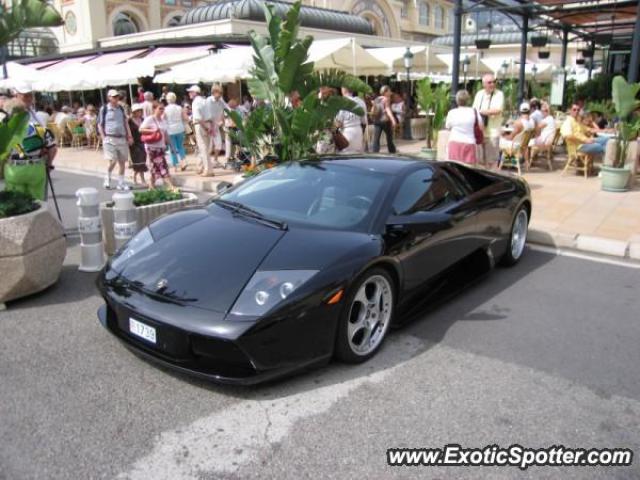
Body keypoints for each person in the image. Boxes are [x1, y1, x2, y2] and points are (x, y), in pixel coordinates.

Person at [3, 81, 57, 201]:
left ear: (16, 95)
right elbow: (52, 148)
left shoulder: (6, 120)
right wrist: (48, 164)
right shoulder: (38, 120)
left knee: (16, 208)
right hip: (36, 167)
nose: (28, 98)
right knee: (37, 207)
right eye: (27, 95)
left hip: (14, 169)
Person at [98, 89, 133, 190]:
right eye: (113, 97)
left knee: (122, 162)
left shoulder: (121, 108)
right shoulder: (104, 109)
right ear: (109, 98)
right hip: (110, 138)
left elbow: (126, 123)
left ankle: (121, 183)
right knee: (113, 161)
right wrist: (104, 138)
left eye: (117, 96)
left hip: (121, 138)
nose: (116, 98)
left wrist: (129, 136)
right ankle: (107, 178)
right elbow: (100, 124)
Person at [139, 102, 176, 191]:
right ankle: (170, 186)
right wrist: (153, 130)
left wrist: (172, 146)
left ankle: (151, 186)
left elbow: (166, 134)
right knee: (160, 166)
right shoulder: (150, 119)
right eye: (160, 108)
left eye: (163, 109)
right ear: (154, 109)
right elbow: (141, 129)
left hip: (161, 146)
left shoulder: (163, 120)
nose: (162, 110)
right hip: (151, 146)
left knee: (156, 167)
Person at [473, 74, 505, 168]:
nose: (492, 84)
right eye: (489, 82)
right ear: (483, 84)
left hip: (493, 134)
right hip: (480, 133)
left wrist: (482, 112)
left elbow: (498, 110)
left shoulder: (499, 94)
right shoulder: (479, 94)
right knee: (479, 161)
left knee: (491, 162)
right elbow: (474, 110)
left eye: (494, 82)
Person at [445, 89, 483, 165]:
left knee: (453, 168)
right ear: (468, 100)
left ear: (457, 100)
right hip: (469, 143)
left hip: (454, 142)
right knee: (468, 170)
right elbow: (481, 127)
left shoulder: (452, 113)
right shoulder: (474, 112)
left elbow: (448, 126)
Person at [188, 85, 213, 176]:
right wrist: (210, 127)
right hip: (208, 124)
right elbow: (210, 115)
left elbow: (198, 118)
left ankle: (208, 170)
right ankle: (202, 167)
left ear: (195, 93)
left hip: (200, 125)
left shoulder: (195, 102)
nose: (189, 93)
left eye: (190, 92)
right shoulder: (204, 100)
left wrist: (205, 127)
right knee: (205, 148)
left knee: (203, 149)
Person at [165, 92, 188, 172]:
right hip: (180, 128)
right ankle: (183, 161)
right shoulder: (179, 108)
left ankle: (175, 165)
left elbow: (164, 119)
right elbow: (185, 118)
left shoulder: (166, 109)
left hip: (170, 129)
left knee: (172, 148)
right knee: (180, 146)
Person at [371, 85, 397, 153]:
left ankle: (375, 152)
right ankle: (392, 151)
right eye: (389, 91)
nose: (390, 92)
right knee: (389, 137)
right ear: (385, 92)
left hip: (377, 121)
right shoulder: (386, 99)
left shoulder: (377, 99)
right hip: (385, 121)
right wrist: (393, 119)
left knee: (376, 139)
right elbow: (387, 109)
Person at [206, 84, 226, 167]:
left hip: (216, 125)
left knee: (218, 144)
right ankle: (206, 162)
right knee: (208, 145)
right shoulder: (208, 100)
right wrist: (209, 125)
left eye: (221, 93)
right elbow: (206, 113)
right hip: (208, 125)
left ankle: (215, 160)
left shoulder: (221, 101)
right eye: (219, 93)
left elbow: (225, 109)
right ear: (214, 92)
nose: (220, 95)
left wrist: (222, 120)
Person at [128, 103, 148, 186]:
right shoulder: (129, 121)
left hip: (143, 142)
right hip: (134, 143)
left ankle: (135, 176)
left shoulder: (143, 119)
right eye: (138, 111)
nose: (140, 112)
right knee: (138, 161)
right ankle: (142, 180)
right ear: (134, 112)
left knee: (142, 160)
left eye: (140, 111)